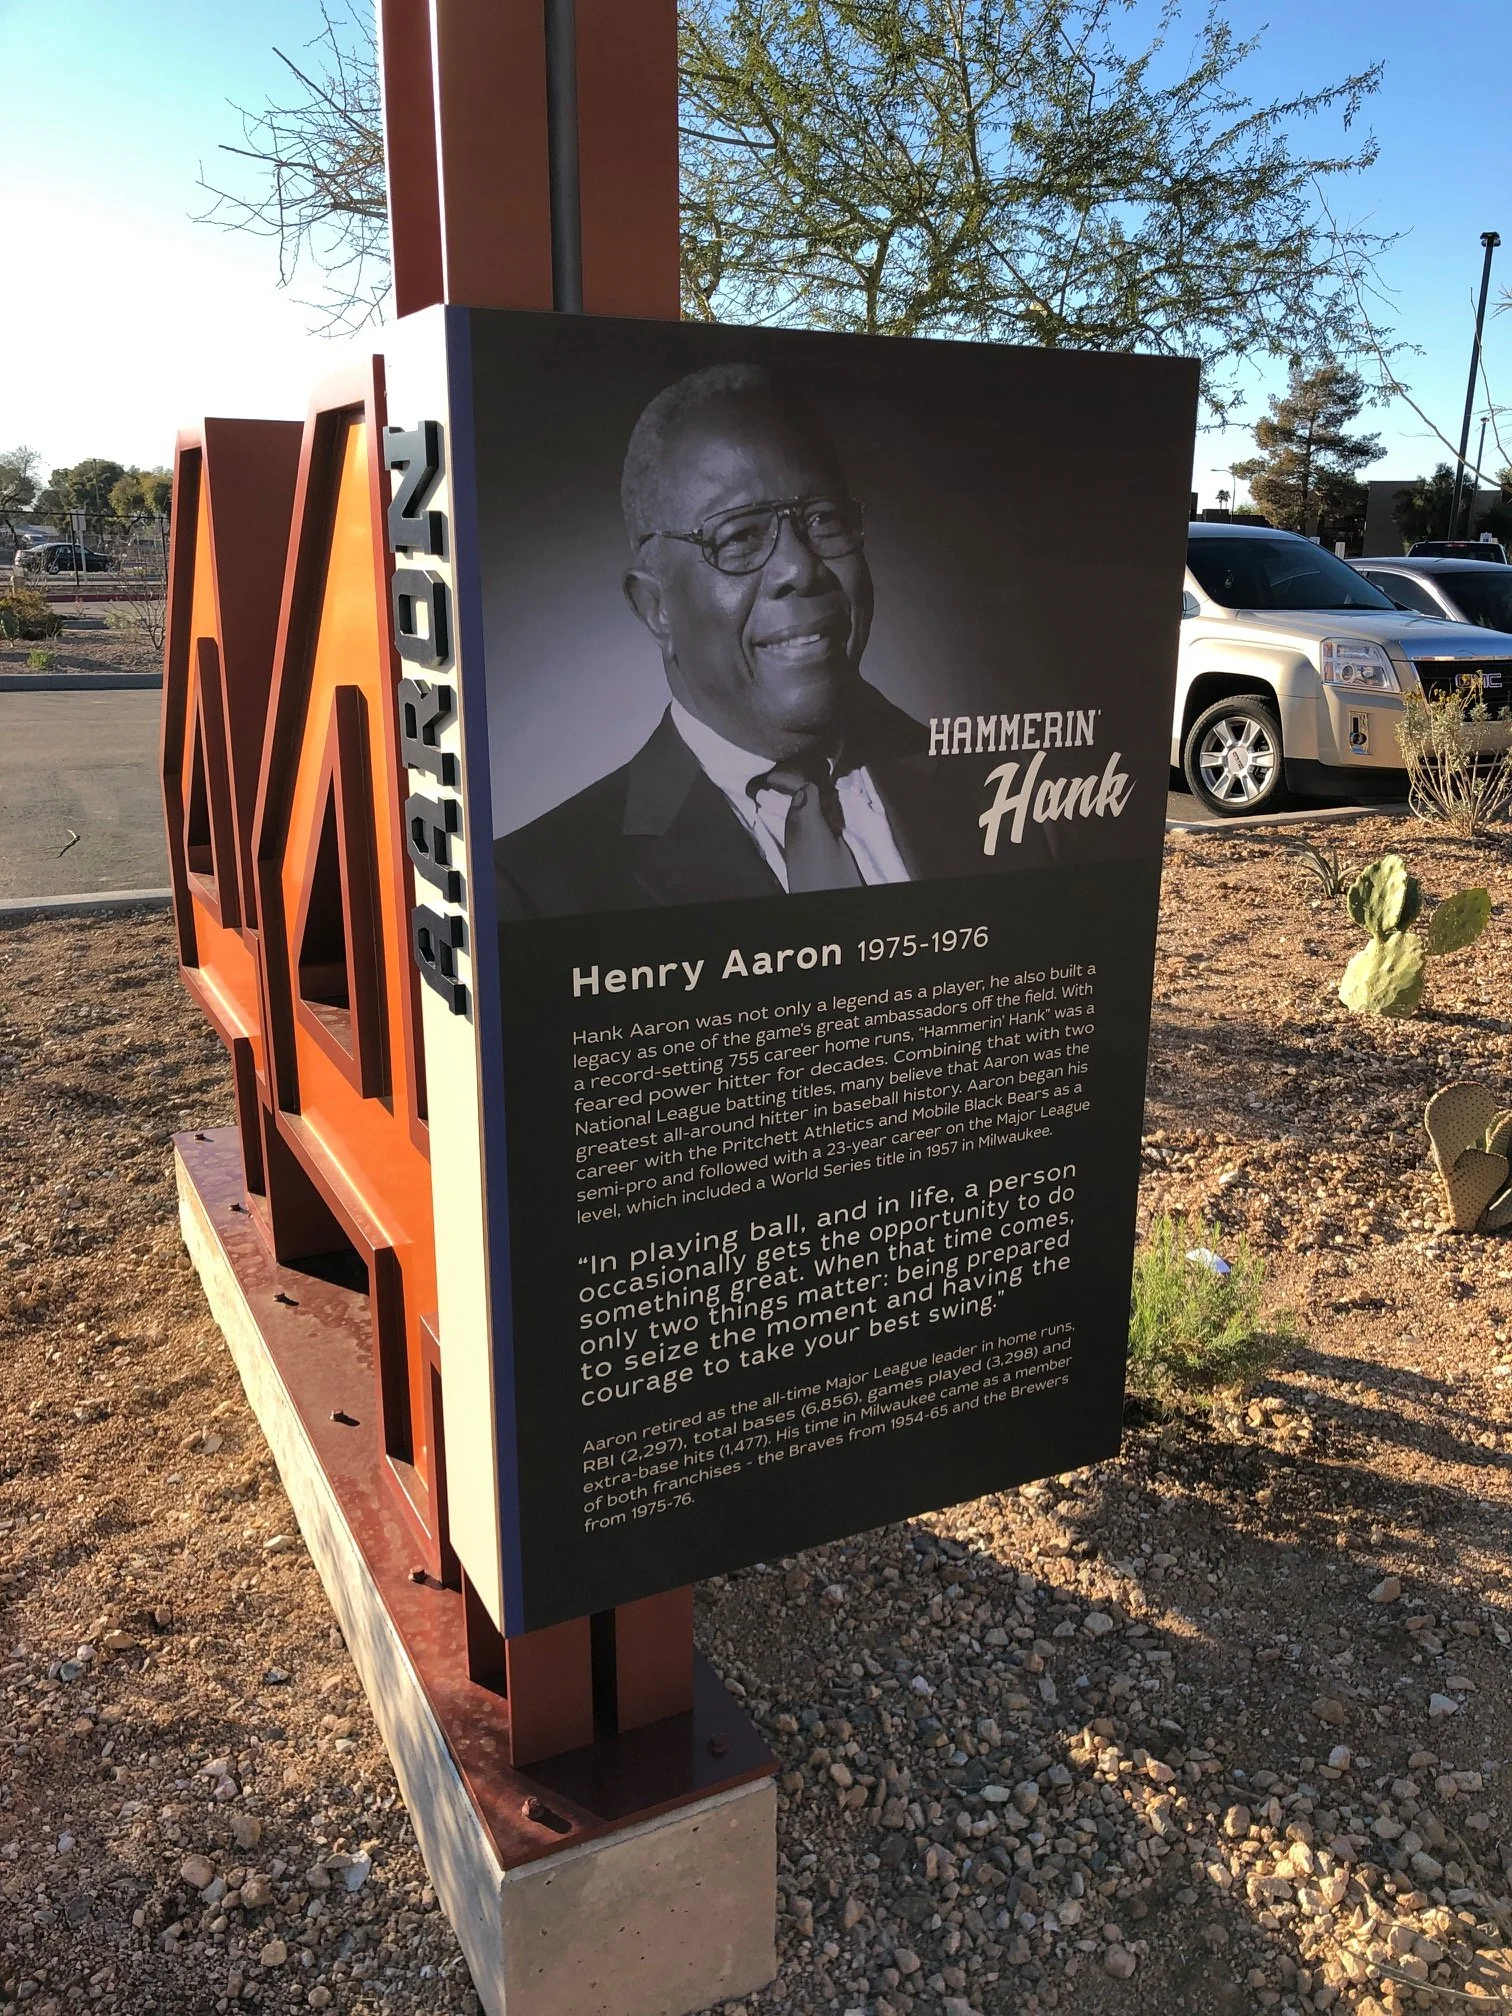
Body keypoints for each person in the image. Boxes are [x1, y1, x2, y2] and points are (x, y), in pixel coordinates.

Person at [494, 362, 989, 918]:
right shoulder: (530, 894)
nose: (801, 567)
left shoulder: (1008, 796)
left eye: (823, 519)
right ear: (655, 607)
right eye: (741, 536)